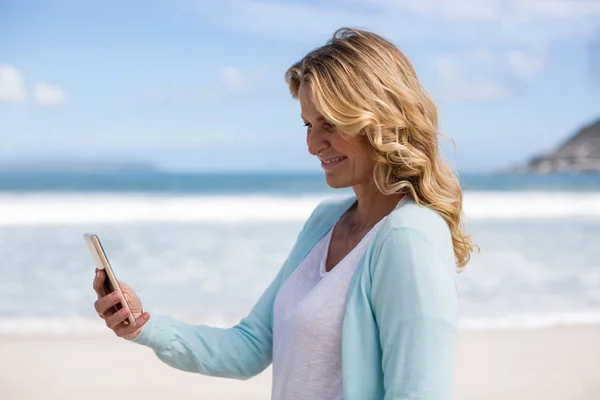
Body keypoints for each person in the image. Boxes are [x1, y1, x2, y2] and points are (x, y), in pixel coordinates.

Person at [92, 27, 475, 399]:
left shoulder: (410, 236)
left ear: (379, 119)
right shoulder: (326, 221)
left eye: (331, 123)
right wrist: (142, 325)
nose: (313, 145)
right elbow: (249, 347)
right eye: (308, 124)